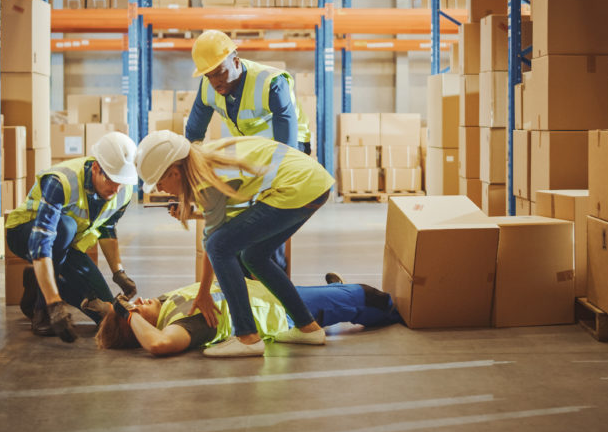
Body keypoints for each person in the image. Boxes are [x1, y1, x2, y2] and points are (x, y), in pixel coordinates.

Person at [134, 131, 334, 357]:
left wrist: (203, 294)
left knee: (220, 246)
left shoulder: (205, 180)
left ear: (175, 171)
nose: (160, 190)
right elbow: (236, 214)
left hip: (297, 186)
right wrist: (198, 213)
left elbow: (215, 242)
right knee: (253, 257)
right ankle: (308, 327)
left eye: (160, 182)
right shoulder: (205, 159)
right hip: (310, 183)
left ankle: (247, 336)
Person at [184, 30, 312, 275]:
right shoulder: (208, 87)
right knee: (233, 209)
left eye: (219, 72)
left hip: (293, 150)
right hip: (253, 152)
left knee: (266, 216)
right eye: (209, 76)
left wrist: (265, 191)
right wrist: (189, 182)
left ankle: (272, 278)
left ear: (235, 60)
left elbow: (285, 147)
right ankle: (243, 277)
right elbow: (193, 136)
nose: (215, 82)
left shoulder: (272, 82)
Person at [5, 132, 139, 342]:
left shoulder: (122, 191)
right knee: (65, 227)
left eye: (121, 182)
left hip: (66, 246)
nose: (116, 188)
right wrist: (52, 304)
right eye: (112, 180)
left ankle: (35, 281)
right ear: (96, 168)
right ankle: (40, 311)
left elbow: (107, 227)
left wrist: (118, 272)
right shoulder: (61, 181)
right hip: (25, 234)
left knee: (107, 314)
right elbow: (42, 244)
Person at [94, 276, 403, 355]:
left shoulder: (166, 302)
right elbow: (159, 345)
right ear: (138, 326)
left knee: (342, 295)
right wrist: (128, 316)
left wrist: (113, 312)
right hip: (284, 311)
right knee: (368, 297)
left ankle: (339, 291)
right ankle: (393, 314)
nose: (137, 301)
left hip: (271, 291)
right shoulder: (184, 324)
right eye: (135, 308)